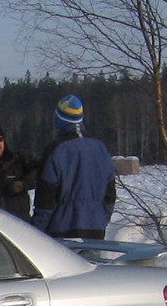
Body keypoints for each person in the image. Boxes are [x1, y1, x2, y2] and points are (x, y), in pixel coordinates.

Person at [32, 95, 116, 239]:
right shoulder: (101, 149)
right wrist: (101, 219)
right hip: (95, 229)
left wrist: (36, 233)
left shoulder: (55, 150)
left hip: (61, 230)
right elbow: (110, 196)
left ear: (58, 119)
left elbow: (45, 201)